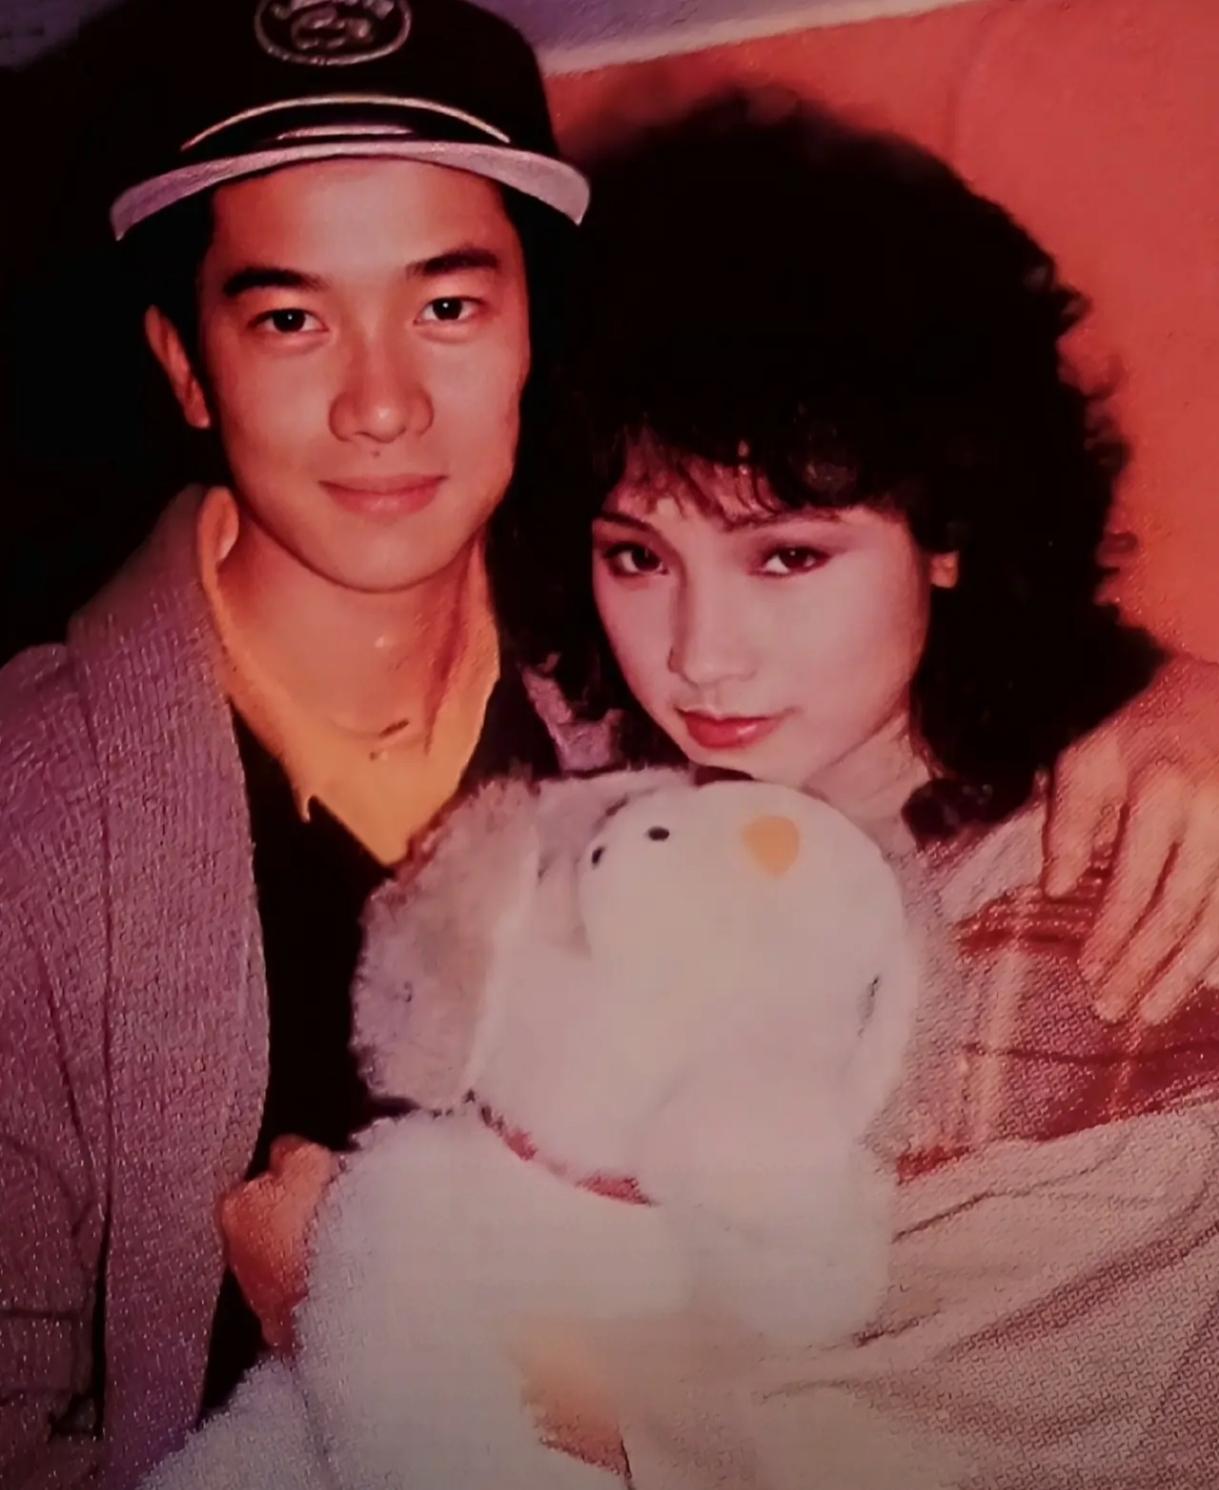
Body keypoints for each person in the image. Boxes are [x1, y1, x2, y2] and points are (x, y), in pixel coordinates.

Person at [501, 93, 1219, 1485]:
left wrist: (372, 1322)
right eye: (638, 555)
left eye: (788, 556)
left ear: (948, 530)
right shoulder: (615, 812)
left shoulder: (1111, 901)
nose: (701, 654)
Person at [0, 1, 592, 1485]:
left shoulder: (661, 698)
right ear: (185, 365)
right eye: (290, 319)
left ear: (533, 329)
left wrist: (1147, 712)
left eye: (446, 307)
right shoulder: (24, 820)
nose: (381, 403)